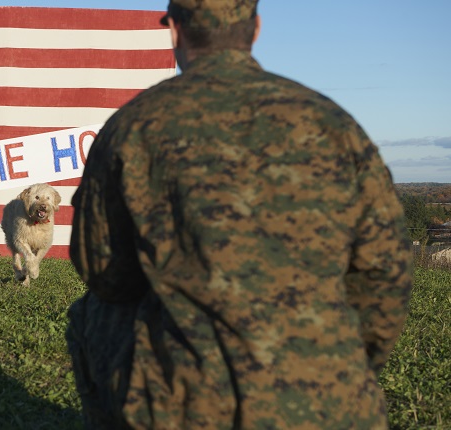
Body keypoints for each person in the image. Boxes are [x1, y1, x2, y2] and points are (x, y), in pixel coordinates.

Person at [65, 1, 414, 428]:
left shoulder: (132, 126)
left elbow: (103, 272)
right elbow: (386, 271)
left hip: (183, 404)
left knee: (91, 311)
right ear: (257, 28)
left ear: (174, 30)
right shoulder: (333, 123)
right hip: (330, 402)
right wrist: (344, 365)